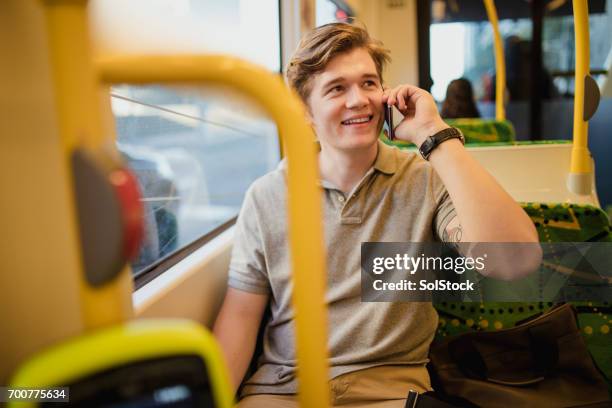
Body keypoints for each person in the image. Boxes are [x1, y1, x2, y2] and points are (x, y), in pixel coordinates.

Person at [213, 23, 538, 407]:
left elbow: (514, 261)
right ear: (303, 111)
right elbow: (239, 320)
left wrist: (434, 135)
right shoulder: (267, 195)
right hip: (284, 393)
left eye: (369, 83)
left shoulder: (424, 181)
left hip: (390, 392)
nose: (359, 100)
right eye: (337, 88)